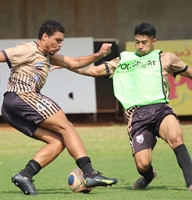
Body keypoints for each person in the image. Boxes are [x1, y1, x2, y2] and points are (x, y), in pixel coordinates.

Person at [53, 23, 192, 191]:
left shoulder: (165, 58)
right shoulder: (123, 60)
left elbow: (189, 72)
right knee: (143, 164)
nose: (140, 46)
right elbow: (94, 71)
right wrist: (69, 65)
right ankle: (148, 175)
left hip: (161, 109)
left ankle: (191, 182)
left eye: (144, 42)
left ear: (153, 41)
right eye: (137, 42)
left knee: (176, 138)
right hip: (138, 115)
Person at [0, 19, 118, 195]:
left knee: (58, 141)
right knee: (66, 126)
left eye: (62, 41)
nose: (60, 45)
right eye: (57, 40)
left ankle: (25, 175)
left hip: (10, 108)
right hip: (21, 96)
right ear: (45, 36)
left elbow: (74, 62)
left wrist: (99, 55)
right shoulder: (28, 49)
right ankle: (89, 173)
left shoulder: (47, 56)